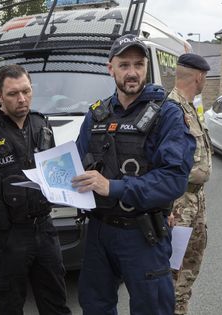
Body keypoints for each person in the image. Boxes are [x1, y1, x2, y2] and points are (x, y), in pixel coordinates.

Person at [71, 34, 196, 315]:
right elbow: (76, 166)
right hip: (99, 232)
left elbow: (173, 179)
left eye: (138, 64)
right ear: (110, 68)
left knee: (152, 308)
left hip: (143, 234)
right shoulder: (96, 115)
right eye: (124, 65)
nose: (132, 72)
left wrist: (113, 187)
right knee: (94, 305)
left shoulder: (168, 114)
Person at [0, 64, 72, 315]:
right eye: (13, 94)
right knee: (10, 305)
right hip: (8, 233)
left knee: (55, 302)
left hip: (44, 227)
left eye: (26, 91)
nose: (22, 99)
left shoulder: (41, 124)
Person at [168, 53, 212, 315]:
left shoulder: (189, 107)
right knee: (174, 268)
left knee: (191, 262)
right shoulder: (171, 110)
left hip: (195, 199)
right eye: (205, 77)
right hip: (179, 202)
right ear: (199, 76)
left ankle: (179, 309)